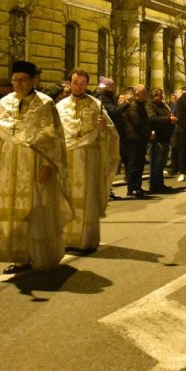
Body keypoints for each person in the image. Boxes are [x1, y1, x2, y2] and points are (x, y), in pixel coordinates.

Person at [0, 60, 73, 274]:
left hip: (36, 163)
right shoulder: (5, 103)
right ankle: (19, 257)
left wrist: (49, 164)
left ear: (33, 81)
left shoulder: (45, 104)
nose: (18, 84)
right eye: (14, 80)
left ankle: (41, 255)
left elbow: (55, 138)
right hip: (9, 165)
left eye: (22, 80)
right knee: (14, 213)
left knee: (36, 210)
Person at [57, 68, 120, 253]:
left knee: (87, 200)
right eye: (75, 83)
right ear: (70, 84)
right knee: (66, 199)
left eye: (83, 83)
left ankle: (86, 241)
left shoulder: (96, 105)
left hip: (88, 159)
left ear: (87, 84)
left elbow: (112, 134)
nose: (79, 87)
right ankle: (65, 239)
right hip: (67, 159)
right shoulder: (60, 106)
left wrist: (104, 128)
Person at [119, 85, 150, 198]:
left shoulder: (140, 105)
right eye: (144, 93)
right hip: (134, 139)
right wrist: (147, 131)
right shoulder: (133, 106)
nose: (146, 95)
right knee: (134, 165)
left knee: (139, 164)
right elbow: (138, 122)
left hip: (140, 139)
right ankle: (132, 188)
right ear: (137, 94)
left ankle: (137, 186)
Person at [146, 87, 175, 194]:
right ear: (154, 96)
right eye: (158, 95)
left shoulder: (163, 105)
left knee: (162, 163)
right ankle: (154, 185)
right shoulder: (150, 106)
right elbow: (152, 118)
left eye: (161, 94)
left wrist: (171, 119)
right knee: (156, 163)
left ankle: (160, 184)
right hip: (157, 138)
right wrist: (168, 119)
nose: (161, 97)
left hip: (165, 137)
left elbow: (168, 114)